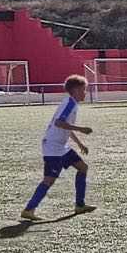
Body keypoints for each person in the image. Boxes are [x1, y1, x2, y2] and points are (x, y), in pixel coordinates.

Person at [21, 75, 96, 220]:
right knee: (49, 180)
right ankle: (29, 210)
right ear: (75, 90)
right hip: (53, 148)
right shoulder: (69, 103)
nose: (85, 93)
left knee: (82, 168)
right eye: (83, 89)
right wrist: (81, 129)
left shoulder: (71, 103)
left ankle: (80, 205)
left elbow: (65, 126)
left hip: (61, 147)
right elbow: (59, 123)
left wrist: (79, 143)